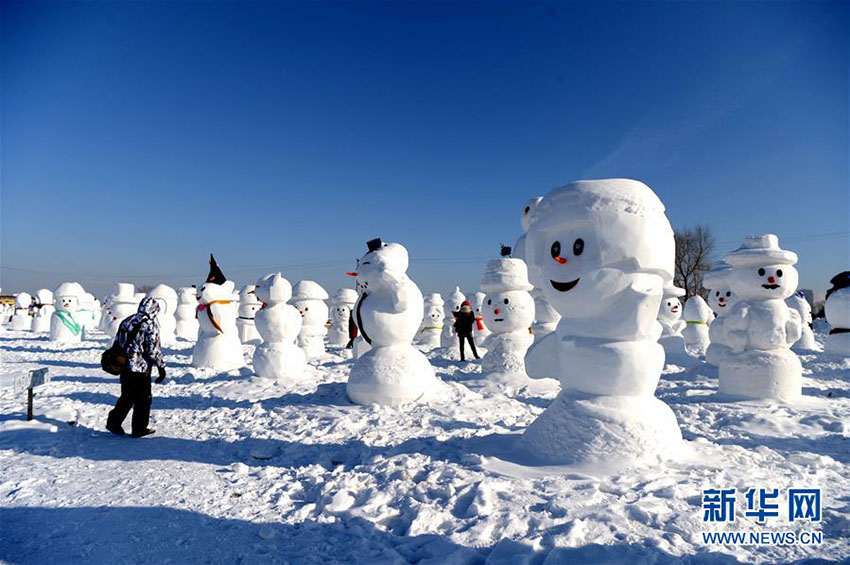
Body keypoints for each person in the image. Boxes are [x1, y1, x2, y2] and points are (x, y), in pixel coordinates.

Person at [106, 297, 166, 438]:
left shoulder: (128, 320)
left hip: (125, 365)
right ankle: (139, 428)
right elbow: (152, 349)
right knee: (144, 399)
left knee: (127, 396)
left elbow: (118, 341)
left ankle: (113, 422)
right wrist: (161, 367)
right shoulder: (150, 325)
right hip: (140, 368)